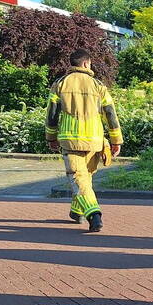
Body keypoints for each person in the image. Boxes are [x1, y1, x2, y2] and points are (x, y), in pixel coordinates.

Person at [45, 49, 123, 233]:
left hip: (70, 140)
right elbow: (111, 114)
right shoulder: (99, 86)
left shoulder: (60, 84)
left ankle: (94, 215)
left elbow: (52, 115)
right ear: (87, 63)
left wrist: (51, 137)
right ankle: (76, 211)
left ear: (73, 64)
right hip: (95, 140)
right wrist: (116, 140)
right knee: (84, 178)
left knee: (78, 177)